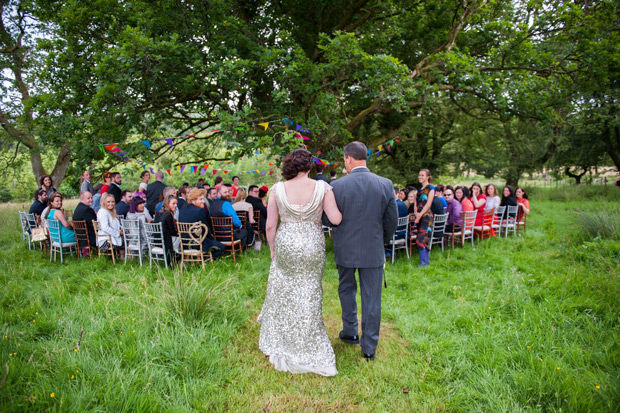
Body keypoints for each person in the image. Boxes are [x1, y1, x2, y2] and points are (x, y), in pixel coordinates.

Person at [258, 148, 342, 376]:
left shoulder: (277, 190)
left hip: (287, 243)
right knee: (311, 289)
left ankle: (286, 337)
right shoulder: (323, 187)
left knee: (286, 290)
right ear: (309, 166)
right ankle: (309, 338)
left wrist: (273, 249)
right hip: (313, 245)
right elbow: (335, 218)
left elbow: (269, 226)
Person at [326, 141, 397, 362]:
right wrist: (380, 242)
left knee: (346, 290)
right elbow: (392, 221)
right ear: (365, 157)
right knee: (372, 298)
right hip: (372, 250)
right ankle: (369, 348)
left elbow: (328, 219)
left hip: (345, 250)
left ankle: (350, 331)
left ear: (348, 158)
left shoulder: (336, 186)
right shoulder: (385, 184)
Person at [178, 188, 225, 260]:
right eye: (200, 199)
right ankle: (205, 259)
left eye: (203, 199)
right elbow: (206, 229)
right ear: (193, 200)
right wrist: (212, 239)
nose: (203, 201)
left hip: (184, 244)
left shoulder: (182, 210)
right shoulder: (199, 211)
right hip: (197, 243)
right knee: (221, 247)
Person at [210, 185, 252, 249]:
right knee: (245, 232)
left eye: (228, 192)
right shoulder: (226, 204)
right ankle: (240, 252)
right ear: (218, 194)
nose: (228, 194)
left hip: (216, 235)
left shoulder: (212, 204)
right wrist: (239, 225)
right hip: (229, 235)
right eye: (225, 192)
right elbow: (235, 219)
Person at [414, 169, 435, 267]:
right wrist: (416, 214)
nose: (420, 177)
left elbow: (428, 204)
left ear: (427, 177)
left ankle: (424, 263)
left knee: (422, 239)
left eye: (422, 175)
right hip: (419, 216)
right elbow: (416, 203)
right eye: (419, 175)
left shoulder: (431, 188)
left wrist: (420, 214)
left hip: (426, 216)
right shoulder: (418, 190)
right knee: (421, 238)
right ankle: (425, 262)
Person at [153, 195, 179, 266]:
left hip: (156, 240)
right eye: (173, 204)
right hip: (165, 243)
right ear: (168, 204)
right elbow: (172, 232)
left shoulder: (159, 213)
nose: (175, 205)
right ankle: (176, 262)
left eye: (176, 204)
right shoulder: (168, 215)